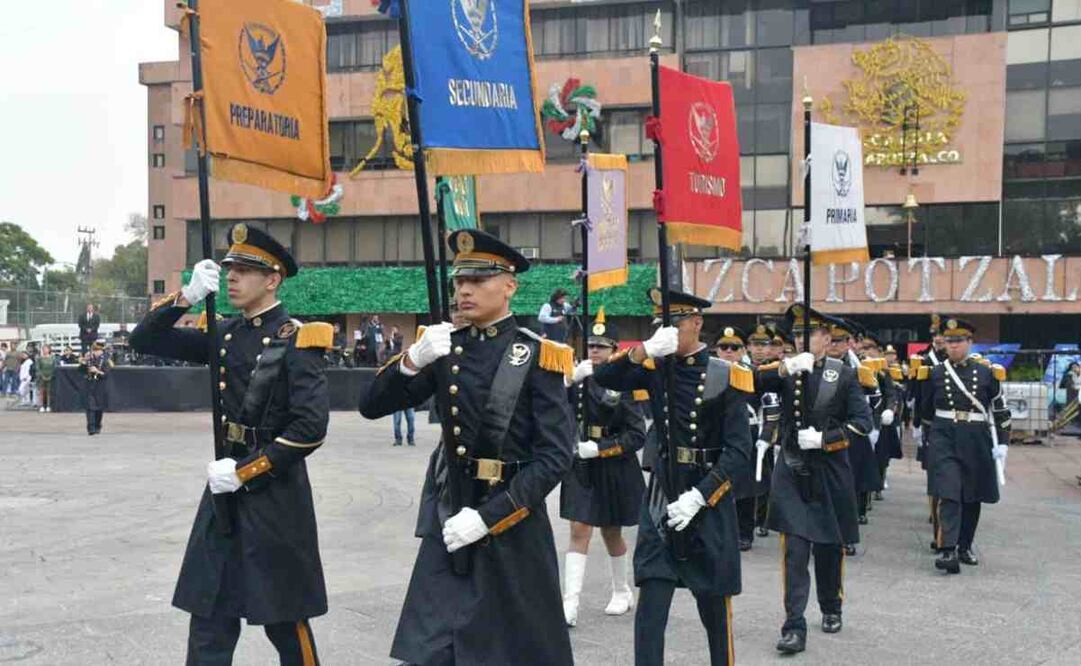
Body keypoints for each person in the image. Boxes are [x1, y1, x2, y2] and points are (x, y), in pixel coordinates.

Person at [359, 229, 576, 666]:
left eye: (478, 280)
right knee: (433, 651)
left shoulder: (537, 356)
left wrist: (487, 518)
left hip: (509, 525)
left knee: (509, 653)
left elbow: (554, 457)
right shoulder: (443, 348)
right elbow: (371, 406)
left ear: (510, 286)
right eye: (459, 281)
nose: (464, 289)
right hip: (451, 516)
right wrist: (413, 360)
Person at [130, 223, 332, 665]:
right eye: (229, 269)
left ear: (273, 279)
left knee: (285, 617)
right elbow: (143, 339)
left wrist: (244, 472)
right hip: (223, 495)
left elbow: (310, 427)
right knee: (209, 612)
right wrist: (183, 298)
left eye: (244, 269)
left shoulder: (298, 338)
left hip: (273, 494)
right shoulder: (224, 334)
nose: (232, 277)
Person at [593, 288, 753, 666]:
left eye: (676, 323)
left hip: (707, 499)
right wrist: (644, 349)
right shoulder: (656, 367)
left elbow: (738, 452)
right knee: (651, 607)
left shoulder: (726, 375)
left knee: (714, 609)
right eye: (661, 324)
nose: (669, 331)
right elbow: (605, 376)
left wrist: (701, 496)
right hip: (663, 496)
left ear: (697, 323)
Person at [757, 305, 872, 655]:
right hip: (792, 468)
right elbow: (749, 382)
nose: (801, 340)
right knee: (794, 549)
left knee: (827, 545)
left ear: (826, 338)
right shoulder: (787, 369)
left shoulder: (844, 375)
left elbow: (862, 423)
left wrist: (825, 439)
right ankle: (794, 625)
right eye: (796, 335)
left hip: (829, 471)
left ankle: (830, 604)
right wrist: (785, 366)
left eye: (809, 335)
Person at [560, 310, 647, 626]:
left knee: (611, 531)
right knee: (579, 528)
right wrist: (570, 381)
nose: (594, 351)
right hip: (581, 464)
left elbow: (637, 434)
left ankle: (622, 590)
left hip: (612, 463)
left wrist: (600, 448)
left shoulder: (624, 382)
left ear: (614, 350)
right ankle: (570, 603)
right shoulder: (577, 377)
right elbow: (550, 407)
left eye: (602, 347)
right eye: (591, 346)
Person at [916, 318, 1010, 574]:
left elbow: (999, 409)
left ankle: (965, 546)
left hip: (975, 438)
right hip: (944, 436)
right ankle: (948, 549)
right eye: (949, 341)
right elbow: (925, 410)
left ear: (970, 342)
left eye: (959, 341)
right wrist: (922, 436)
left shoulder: (986, 373)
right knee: (949, 491)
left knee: (972, 495)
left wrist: (1003, 442)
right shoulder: (934, 373)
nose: (953, 346)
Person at [824, 319, 880, 549]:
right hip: (822, 435)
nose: (834, 345)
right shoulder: (817, 365)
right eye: (831, 340)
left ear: (849, 343)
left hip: (850, 433)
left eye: (839, 341)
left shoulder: (859, 370)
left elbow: (875, 398)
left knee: (850, 488)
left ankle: (846, 537)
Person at [909, 315, 949, 551]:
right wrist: (916, 422)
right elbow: (917, 393)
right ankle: (937, 523)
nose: (941, 340)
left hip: (952, 424)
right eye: (938, 336)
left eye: (943, 336)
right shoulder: (924, 360)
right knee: (933, 474)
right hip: (931, 422)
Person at [861, 336, 904, 500]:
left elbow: (890, 393)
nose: (867, 351)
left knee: (880, 457)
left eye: (870, 348)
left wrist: (890, 410)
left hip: (879, 418)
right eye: (864, 348)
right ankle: (864, 500)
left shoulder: (882, 371)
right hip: (862, 418)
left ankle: (877, 486)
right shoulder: (858, 366)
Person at [78, 343, 111, 433]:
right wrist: (84, 362)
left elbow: (106, 374)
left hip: (100, 386)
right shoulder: (89, 359)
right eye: (94, 350)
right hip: (89, 385)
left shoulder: (105, 360)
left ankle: (97, 425)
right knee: (90, 407)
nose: (96, 352)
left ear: (101, 351)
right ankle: (90, 427)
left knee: (99, 408)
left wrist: (97, 371)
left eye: (98, 350)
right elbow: (80, 371)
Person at [37, 345, 57, 413]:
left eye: (46, 349)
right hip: (42, 377)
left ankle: (48, 406)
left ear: (49, 350)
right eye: (43, 349)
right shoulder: (39, 358)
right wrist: (41, 375)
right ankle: (42, 406)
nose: (44, 350)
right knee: (42, 392)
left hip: (50, 376)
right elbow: (38, 368)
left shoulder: (53, 358)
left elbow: (54, 367)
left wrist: (51, 375)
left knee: (49, 392)